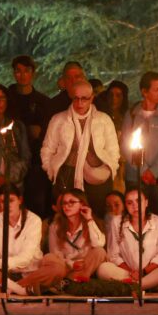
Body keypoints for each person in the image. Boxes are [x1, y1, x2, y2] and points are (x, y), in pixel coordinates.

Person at [41, 80, 120, 218]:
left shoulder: (104, 120)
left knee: (96, 219)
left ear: (92, 98)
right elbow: (47, 149)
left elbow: (113, 151)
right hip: (66, 176)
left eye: (84, 99)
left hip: (98, 179)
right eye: (76, 98)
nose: (79, 103)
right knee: (66, 219)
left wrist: (110, 168)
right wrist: (51, 170)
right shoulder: (59, 119)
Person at [16, 188, 105, 292]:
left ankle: (67, 281)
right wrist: (71, 264)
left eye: (72, 202)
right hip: (64, 266)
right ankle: (19, 285)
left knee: (100, 252)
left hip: (84, 267)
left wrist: (89, 219)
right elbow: (55, 253)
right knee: (50, 258)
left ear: (82, 204)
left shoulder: (91, 224)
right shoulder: (56, 226)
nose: (67, 206)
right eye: (64, 203)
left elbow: (99, 243)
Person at [97, 188, 158, 290]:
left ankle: (138, 285)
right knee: (103, 269)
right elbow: (114, 255)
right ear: (125, 206)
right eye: (129, 203)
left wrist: (143, 272)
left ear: (146, 202)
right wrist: (132, 272)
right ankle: (146, 285)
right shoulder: (117, 222)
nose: (135, 206)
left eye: (138, 201)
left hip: (152, 273)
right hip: (128, 273)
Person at [122, 71, 158, 221]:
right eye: (157, 89)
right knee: (136, 215)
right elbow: (127, 144)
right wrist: (143, 170)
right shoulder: (132, 113)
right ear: (144, 92)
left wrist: (154, 171)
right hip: (136, 174)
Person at [7, 55, 52, 218]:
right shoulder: (6, 98)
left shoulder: (43, 102)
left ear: (33, 73)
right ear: (13, 73)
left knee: (36, 205)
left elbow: (46, 133)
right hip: (10, 159)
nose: (22, 75)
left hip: (36, 161)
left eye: (26, 71)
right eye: (18, 71)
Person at [97, 80, 129, 193]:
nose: (114, 99)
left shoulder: (128, 117)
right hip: (104, 162)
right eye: (111, 95)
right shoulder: (100, 116)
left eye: (118, 95)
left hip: (123, 165)